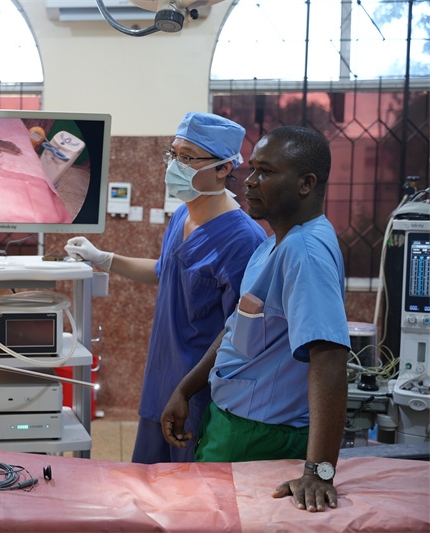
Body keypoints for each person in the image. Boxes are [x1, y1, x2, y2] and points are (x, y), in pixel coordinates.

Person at [161, 126, 350, 513]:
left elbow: (329, 357)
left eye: (266, 172)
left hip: (262, 437)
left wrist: (319, 472)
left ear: (305, 184)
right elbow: (238, 326)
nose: (249, 181)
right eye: (252, 169)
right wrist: (186, 388)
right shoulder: (275, 243)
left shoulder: (305, 252)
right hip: (232, 425)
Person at [65, 112, 267, 463]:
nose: (174, 165)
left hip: (198, 397)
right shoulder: (183, 215)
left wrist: (187, 391)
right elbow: (165, 270)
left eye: (187, 157)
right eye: (173, 154)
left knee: (188, 490)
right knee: (147, 484)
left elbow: (240, 335)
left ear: (223, 168)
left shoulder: (244, 240)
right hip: (161, 382)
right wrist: (104, 258)